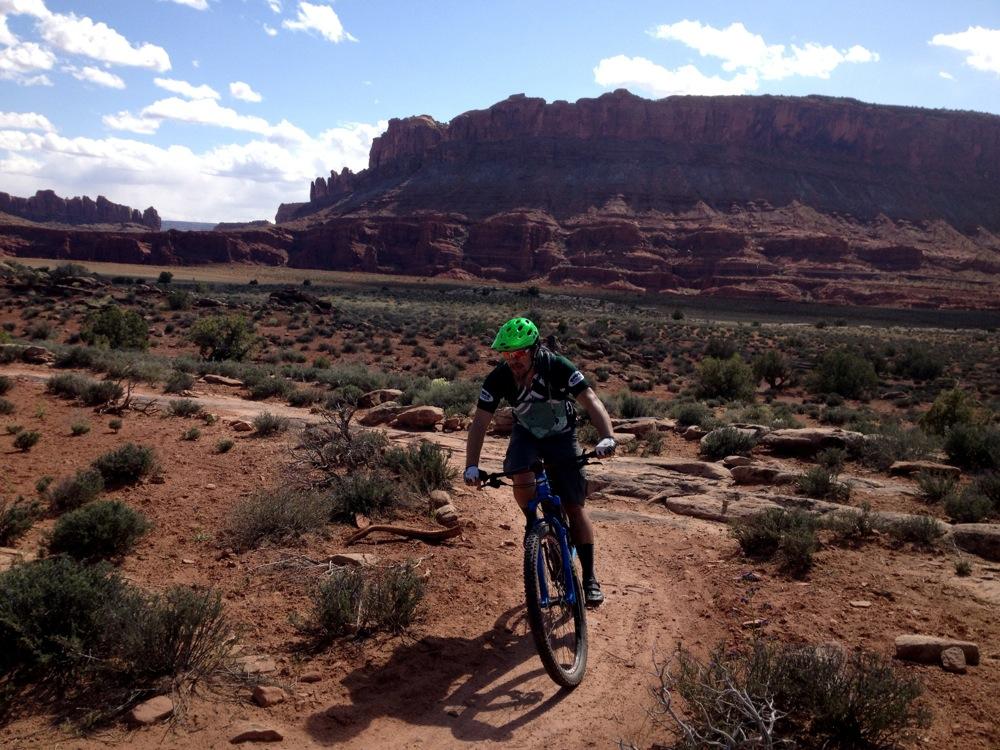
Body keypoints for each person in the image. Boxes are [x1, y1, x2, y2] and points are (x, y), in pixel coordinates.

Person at [464, 317, 616, 606]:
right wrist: (471, 465)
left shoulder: (557, 366)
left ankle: (589, 577)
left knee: (573, 505)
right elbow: (480, 422)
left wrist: (607, 436)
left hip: (561, 434)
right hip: (527, 433)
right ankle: (533, 523)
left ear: (534, 349)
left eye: (519, 353)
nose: (513, 360)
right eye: (507, 354)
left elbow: (591, 399)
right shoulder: (499, 377)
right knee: (519, 472)